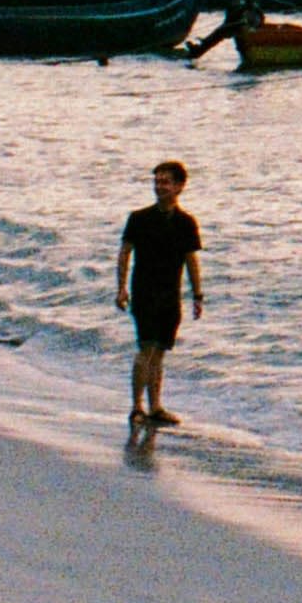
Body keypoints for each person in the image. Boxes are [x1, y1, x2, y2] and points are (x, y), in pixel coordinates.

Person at [115, 160, 204, 447]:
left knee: (160, 352)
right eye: (157, 181)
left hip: (170, 295)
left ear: (180, 186)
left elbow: (191, 260)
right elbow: (125, 253)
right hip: (143, 292)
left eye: (166, 182)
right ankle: (137, 407)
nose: (160, 186)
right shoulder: (139, 218)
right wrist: (121, 289)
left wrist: (198, 295)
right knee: (146, 349)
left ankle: (155, 407)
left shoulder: (186, 222)